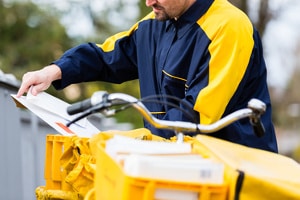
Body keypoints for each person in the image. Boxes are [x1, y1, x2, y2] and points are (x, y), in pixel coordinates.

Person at [17, 0, 278, 152]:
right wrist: (54, 71)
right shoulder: (156, 22)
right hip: (175, 168)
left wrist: (124, 142)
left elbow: (194, 119)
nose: (148, 2)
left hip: (237, 176)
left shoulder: (230, 28)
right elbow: (108, 56)